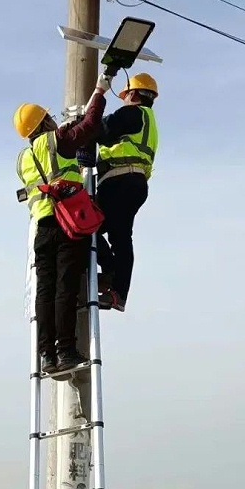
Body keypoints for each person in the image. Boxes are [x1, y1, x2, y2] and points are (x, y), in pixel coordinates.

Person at [14, 73, 111, 375]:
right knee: (66, 289)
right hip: (68, 223)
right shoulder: (55, 142)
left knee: (46, 291)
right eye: (49, 118)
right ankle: (66, 352)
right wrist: (99, 92)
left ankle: (47, 356)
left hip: (41, 228)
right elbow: (90, 127)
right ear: (43, 123)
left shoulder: (23, 158)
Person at [89, 71, 159, 312]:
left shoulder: (133, 113)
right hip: (132, 182)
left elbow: (102, 130)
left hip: (121, 181)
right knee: (115, 234)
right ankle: (115, 284)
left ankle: (114, 283)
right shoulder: (147, 119)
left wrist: (82, 122)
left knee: (90, 227)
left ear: (133, 94)